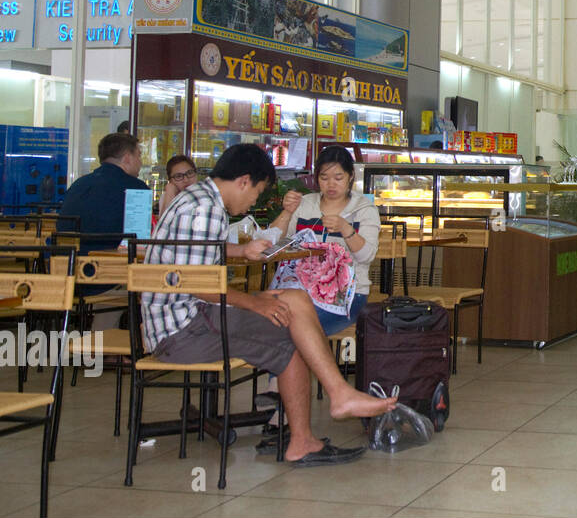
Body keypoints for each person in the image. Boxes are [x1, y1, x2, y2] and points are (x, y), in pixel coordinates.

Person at [141, 143, 395, 466]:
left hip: (187, 316)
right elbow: (196, 283)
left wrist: (239, 252)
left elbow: (196, 255)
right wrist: (253, 304)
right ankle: (307, 435)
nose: (254, 201)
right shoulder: (206, 209)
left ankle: (338, 395)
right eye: (257, 192)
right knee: (289, 332)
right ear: (244, 181)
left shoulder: (199, 199)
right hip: (182, 330)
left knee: (294, 299)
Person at [267, 144, 379, 336]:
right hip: (300, 289)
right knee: (271, 320)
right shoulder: (305, 204)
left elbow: (366, 256)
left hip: (348, 295)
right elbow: (271, 244)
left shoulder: (364, 210)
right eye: (324, 178)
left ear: (351, 176)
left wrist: (346, 229)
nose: (331, 185)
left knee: (295, 328)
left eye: (338, 178)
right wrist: (287, 211)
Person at [59, 132, 149, 251]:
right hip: (113, 266)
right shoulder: (137, 189)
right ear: (127, 158)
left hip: (66, 264)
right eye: (139, 156)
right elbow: (139, 243)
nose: (140, 162)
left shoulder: (78, 185)